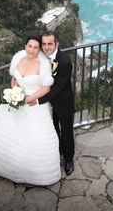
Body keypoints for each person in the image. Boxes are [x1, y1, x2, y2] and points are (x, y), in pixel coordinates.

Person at [0, 36, 61, 185]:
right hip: (16, 102)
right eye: (29, 46)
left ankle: (31, 173)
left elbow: (46, 88)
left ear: (39, 50)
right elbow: (14, 79)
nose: (32, 50)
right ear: (25, 46)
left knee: (33, 140)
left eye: (35, 47)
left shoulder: (42, 65)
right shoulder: (18, 59)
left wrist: (28, 99)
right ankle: (6, 167)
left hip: (33, 105)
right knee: (7, 135)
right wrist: (14, 91)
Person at [29, 31, 75, 176]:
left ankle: (69, 159)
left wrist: (38, 100)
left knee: (66, 132)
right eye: (44, 44)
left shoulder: (65, 61)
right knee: (53, 129)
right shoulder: (40, 57)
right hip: (49, 104)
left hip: (63, 103)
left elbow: (59, 87)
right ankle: (57, 153)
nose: (47, 47)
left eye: (50, 44)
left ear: (57, 44)